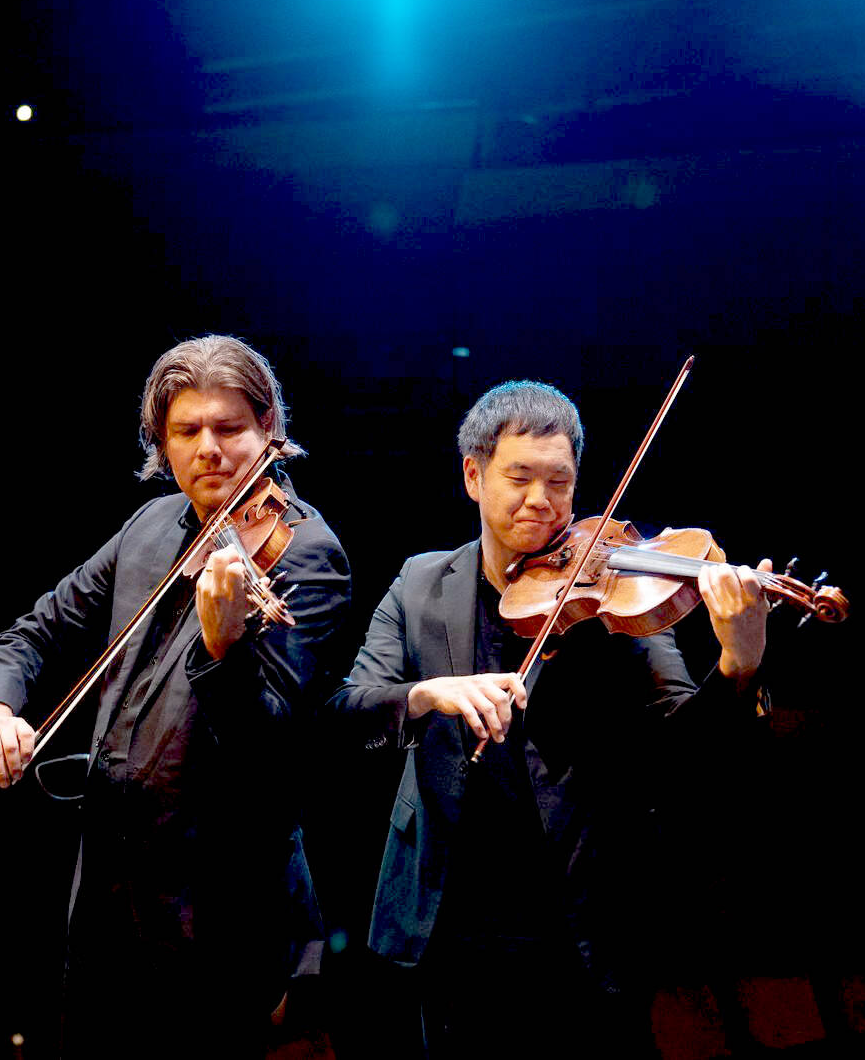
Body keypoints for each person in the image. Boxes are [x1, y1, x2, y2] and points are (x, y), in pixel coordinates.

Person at [326, 380, 773, 1057]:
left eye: (559, 481)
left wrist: (739, 661)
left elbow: (687, 751)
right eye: (519, 477)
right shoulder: (420, 584)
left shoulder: (614, 594)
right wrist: (429, 693)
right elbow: (346, 712)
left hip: (585, 932)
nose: (541, 500)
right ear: (474, 475)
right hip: (451, 932)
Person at [0, 335, 351, 1057]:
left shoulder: (307, 554)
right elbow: (36, 629)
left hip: (216, 915)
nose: (209, 448)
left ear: (269, 429)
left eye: (230, 427)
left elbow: (268, 750)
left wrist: (222, 647)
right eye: (187, 430)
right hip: (107, 891)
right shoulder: (149, 526)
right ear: (162, 442)